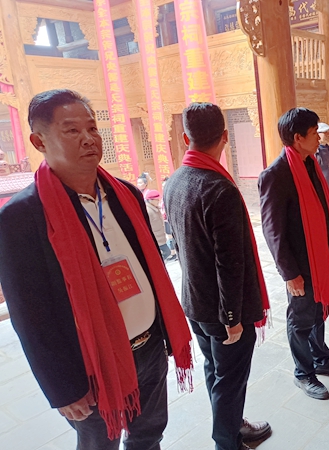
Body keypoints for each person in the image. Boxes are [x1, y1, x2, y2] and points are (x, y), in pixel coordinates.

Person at [0, 89, 193, 449]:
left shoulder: (125, 195)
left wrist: (165, 334)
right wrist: (62, 389)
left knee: (149, 436)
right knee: (99, 444)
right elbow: (30, 316)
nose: (89, 138)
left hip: (149, 346)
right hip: (91, 366)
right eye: (72, 130)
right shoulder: (22, 217)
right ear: (39, 141)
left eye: (92, 128)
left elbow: (150, 270)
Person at [164, 103, 271, 450]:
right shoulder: (218, 188)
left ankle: (232, 426)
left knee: (216, 370)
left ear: (185, 139)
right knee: (230, 379)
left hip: (195, 300)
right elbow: (229, 262)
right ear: (225, 136)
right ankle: (226, 442)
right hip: (223, 310)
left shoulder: (174, 181)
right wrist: (232, 317)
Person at [259, 107, 329, 400]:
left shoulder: (311, 163)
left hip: (319, 258)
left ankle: (320, 359)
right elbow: (273, 232)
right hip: (300, 263)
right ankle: (303, 373)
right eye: (313, 133)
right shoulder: (276, 175)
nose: (319, 138)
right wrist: (289, 274)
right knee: (300, 320)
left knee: (318, 311)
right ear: (298, 138)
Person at [144, 189, 170, 260]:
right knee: (166, 252)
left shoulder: (156, 208)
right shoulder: (148, 211)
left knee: (166, 253)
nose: (158, 201)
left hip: (161, 238)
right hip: (156, 239)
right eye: (156, 200)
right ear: (150, 200)